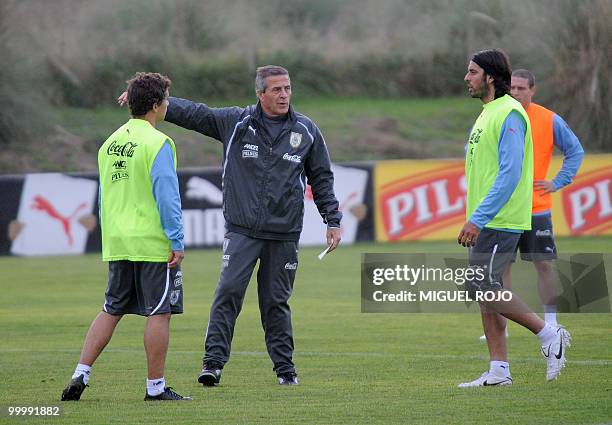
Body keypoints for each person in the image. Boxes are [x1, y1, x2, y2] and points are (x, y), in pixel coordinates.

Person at [120, 65, 342, 386]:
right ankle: (213, 364)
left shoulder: (306, 131)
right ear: (260, 93)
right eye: (277, 90)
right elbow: (196, 114)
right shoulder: (235, 122)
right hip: (242, 231)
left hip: (284, 233)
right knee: (228, 294)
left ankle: (285, 370)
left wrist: (332, 220)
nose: (284, 95)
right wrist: (150, 99)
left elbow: (321, 178)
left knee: (275, 303)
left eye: (288, 89)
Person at [61, 72, 190, 401]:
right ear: (157, 105)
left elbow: (104, 197)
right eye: (166, 100)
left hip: (118, 241)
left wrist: (112, 235)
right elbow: (167, 196)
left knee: (111, 309)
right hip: (151, 243)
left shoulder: (111, 143)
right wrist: (176, 239)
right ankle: (155, 388)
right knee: (159, 312)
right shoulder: (159, 142)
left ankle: (81, 373)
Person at [457, 49, 571, 387]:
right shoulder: (488, 113)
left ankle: (549, 333)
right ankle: (499, 370)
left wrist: (478, 217)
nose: (467, 78)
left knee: (483, 285)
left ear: (491, 77)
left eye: (473, 72)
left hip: (498, 219)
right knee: (484, 290)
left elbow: (509, 174)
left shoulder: (509, 113)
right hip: (486, 219)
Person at [478, 69, 584, 341]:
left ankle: (551, 322)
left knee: (544, 264)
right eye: (512, 87)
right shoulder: (501, 114)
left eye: (522, 88)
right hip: (507, 208)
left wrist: (558, 181)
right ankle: (503, 325)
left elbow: (575, 151)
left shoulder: (548, 119)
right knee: (502, 269)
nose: (515, 92)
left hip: (536, 207)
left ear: (533, 90)